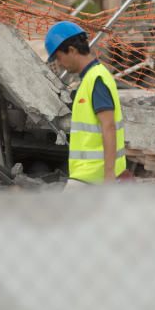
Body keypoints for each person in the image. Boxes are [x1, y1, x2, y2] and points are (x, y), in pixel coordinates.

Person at [44, 21, 126, 187]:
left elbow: (108, 126)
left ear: (72, 51)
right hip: (88, 175)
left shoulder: (96, 79)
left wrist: (109, 175)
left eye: (59, 58)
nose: (59, 64)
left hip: (93, 176)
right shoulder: (90, 79)